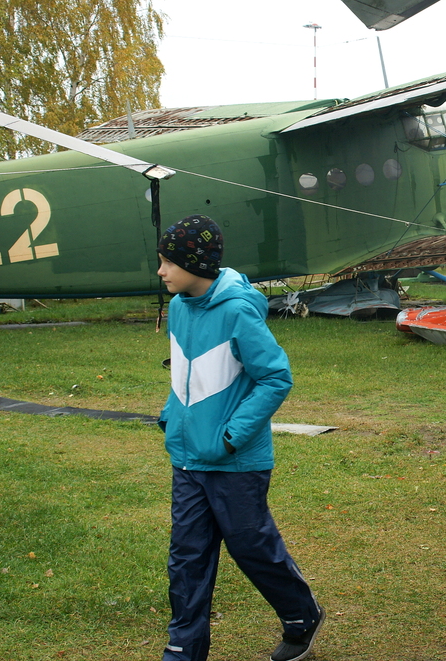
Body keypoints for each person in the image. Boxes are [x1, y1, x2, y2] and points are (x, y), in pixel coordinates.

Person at [156, 214, 323, 661]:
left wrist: (231, 436)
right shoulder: (177, 307)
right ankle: (183, 652)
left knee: (253, 550)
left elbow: (275, 377)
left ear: (196, 265)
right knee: (186, 561)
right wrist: (171, 417)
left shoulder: (236, 310)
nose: (161, 271)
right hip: (188, 460)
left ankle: (301, 616)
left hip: (235, 462)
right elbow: (186, 373)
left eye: (168, 262)